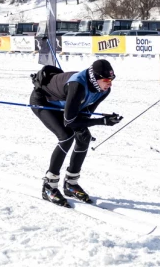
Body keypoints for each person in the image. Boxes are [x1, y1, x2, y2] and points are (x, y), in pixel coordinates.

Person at [30, 59, 123, 207]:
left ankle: (70, 183)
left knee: (83, 137)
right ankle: (49, 186)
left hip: (64, 106)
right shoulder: (77, 86)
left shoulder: (104, 90)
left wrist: (88, 126)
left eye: (112, 79)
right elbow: (70, 122)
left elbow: (85, 114)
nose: (110, 83)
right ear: (94, 78)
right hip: (44, 102)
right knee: (66, 136)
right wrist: (102, 122)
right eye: (106, 80)